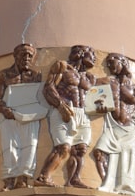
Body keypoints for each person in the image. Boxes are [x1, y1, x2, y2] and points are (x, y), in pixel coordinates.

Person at [91, 54, 135, 196]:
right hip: (112, 125)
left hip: (129, 127)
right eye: (109, 63)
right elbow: (93, 98)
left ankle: (123, 188)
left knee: (127, 162)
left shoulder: (134, 87)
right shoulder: (109, 82)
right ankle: (107, 184)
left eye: (113, 62)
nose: (110, 65)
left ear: (123, 62)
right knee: (99, 152)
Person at [35, 45, 96, 188]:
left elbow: (95, 95)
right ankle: (44, 177)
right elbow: (48, 88)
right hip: (65, 109)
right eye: (91, 54)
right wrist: (60, 106)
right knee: (63, 147)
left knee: (80, 148)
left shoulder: (89, 77)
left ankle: (74, 179)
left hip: (83, 113)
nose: (94, 58)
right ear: (81, 54)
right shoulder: (62, 67)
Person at [0, 43, 43, 191]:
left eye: (30, 55)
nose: (27, 58)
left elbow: (39, 95)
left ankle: (23, 178)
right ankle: (9, 181)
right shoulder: (4, 75)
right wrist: (5, 110)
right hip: (9, 116)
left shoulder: (35, 75)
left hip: (29, 115)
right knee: (10, 147)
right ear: (15, 57)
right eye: (23, 55)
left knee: (30, 145)